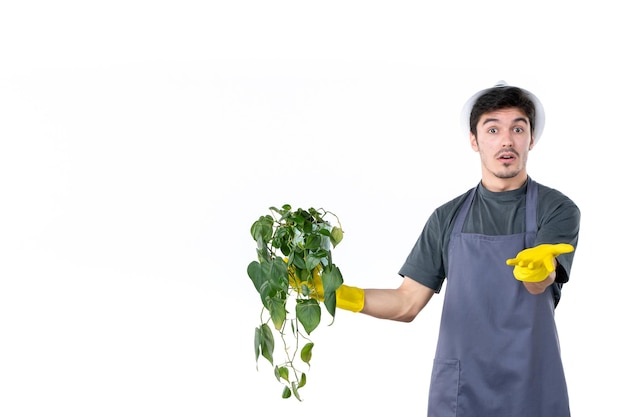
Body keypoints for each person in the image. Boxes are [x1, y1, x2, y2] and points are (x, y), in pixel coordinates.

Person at [311, 82, 581, 416]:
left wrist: (540, 271)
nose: (506, 140)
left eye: (518, 128)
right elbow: (406, 303)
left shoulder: (556, 209)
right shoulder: (447, 217)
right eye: (493, 128)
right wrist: (339, 293)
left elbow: (538, 283)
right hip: (463, 387)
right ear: (474, 140)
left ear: (531, 138)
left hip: (532, 383)